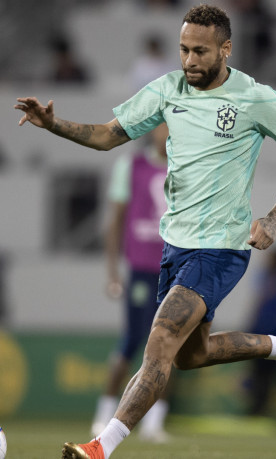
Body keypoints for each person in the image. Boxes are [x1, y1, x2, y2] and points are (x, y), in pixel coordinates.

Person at [15, 5, 276, 458]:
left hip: (220, 248)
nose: (189, 61)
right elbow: (108, 135)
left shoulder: (254, 97)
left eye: (200, 51)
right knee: (190, 356)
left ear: (225, 49)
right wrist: (53, 125)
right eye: (183, 50)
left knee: (160, 340)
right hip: (175, 247)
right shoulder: (167, 90)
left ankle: (100, 447)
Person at [91, 123, 170, 443]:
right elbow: (116, 220)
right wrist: (112, 270)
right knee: (133, 339)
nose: (166, 133)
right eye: (162, 126)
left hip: (173, 268)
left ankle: (154, 424)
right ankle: (103, 415)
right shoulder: (132, 166)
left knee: (169, 345)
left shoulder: (188, 164)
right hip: (140, 268)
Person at [243, 248, 276, 416]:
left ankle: (261, 409)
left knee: (269, 374)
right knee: (256, 371)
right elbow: (258, 301)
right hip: (260, 328)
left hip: (275, 329)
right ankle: (255, 408)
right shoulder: (263, 276)